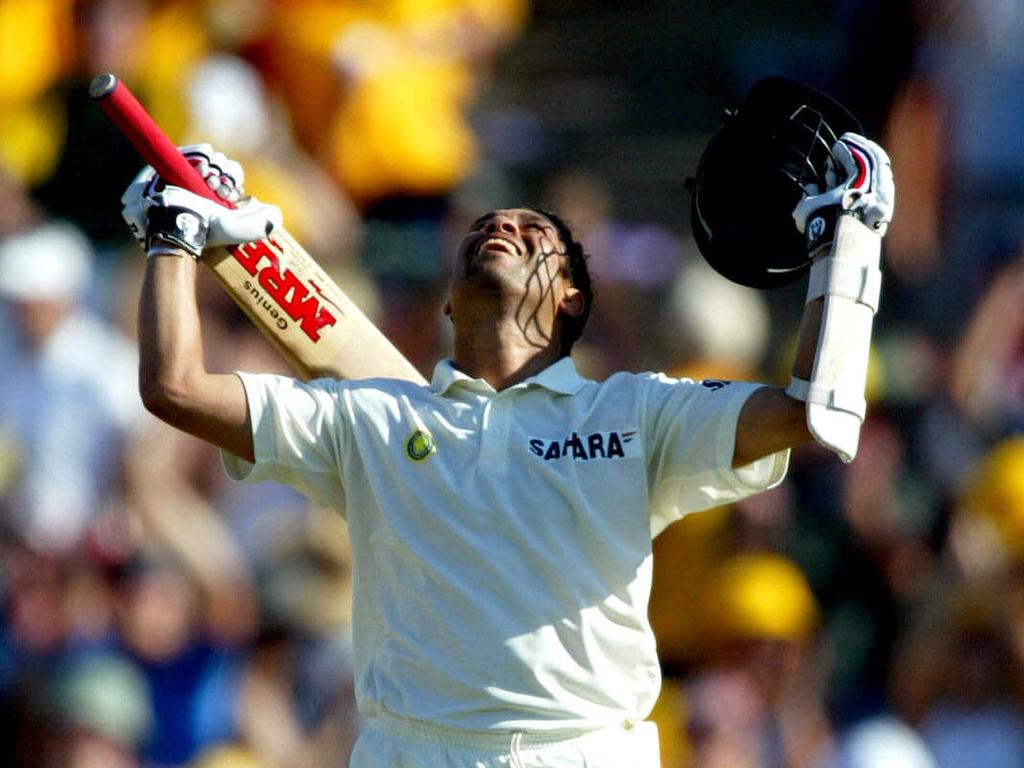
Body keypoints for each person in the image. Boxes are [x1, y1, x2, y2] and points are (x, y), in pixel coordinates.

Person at [119, 133, 893, 766]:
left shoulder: (638, 412)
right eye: (488, 225)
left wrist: (849, 242)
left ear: (572, 300)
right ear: (449, 300)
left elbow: (811, 412)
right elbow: (176, 388)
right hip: (410, 752)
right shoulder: (367, 420)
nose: (505, 226)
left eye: (537, 234)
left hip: (586, 750)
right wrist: (172, 240)